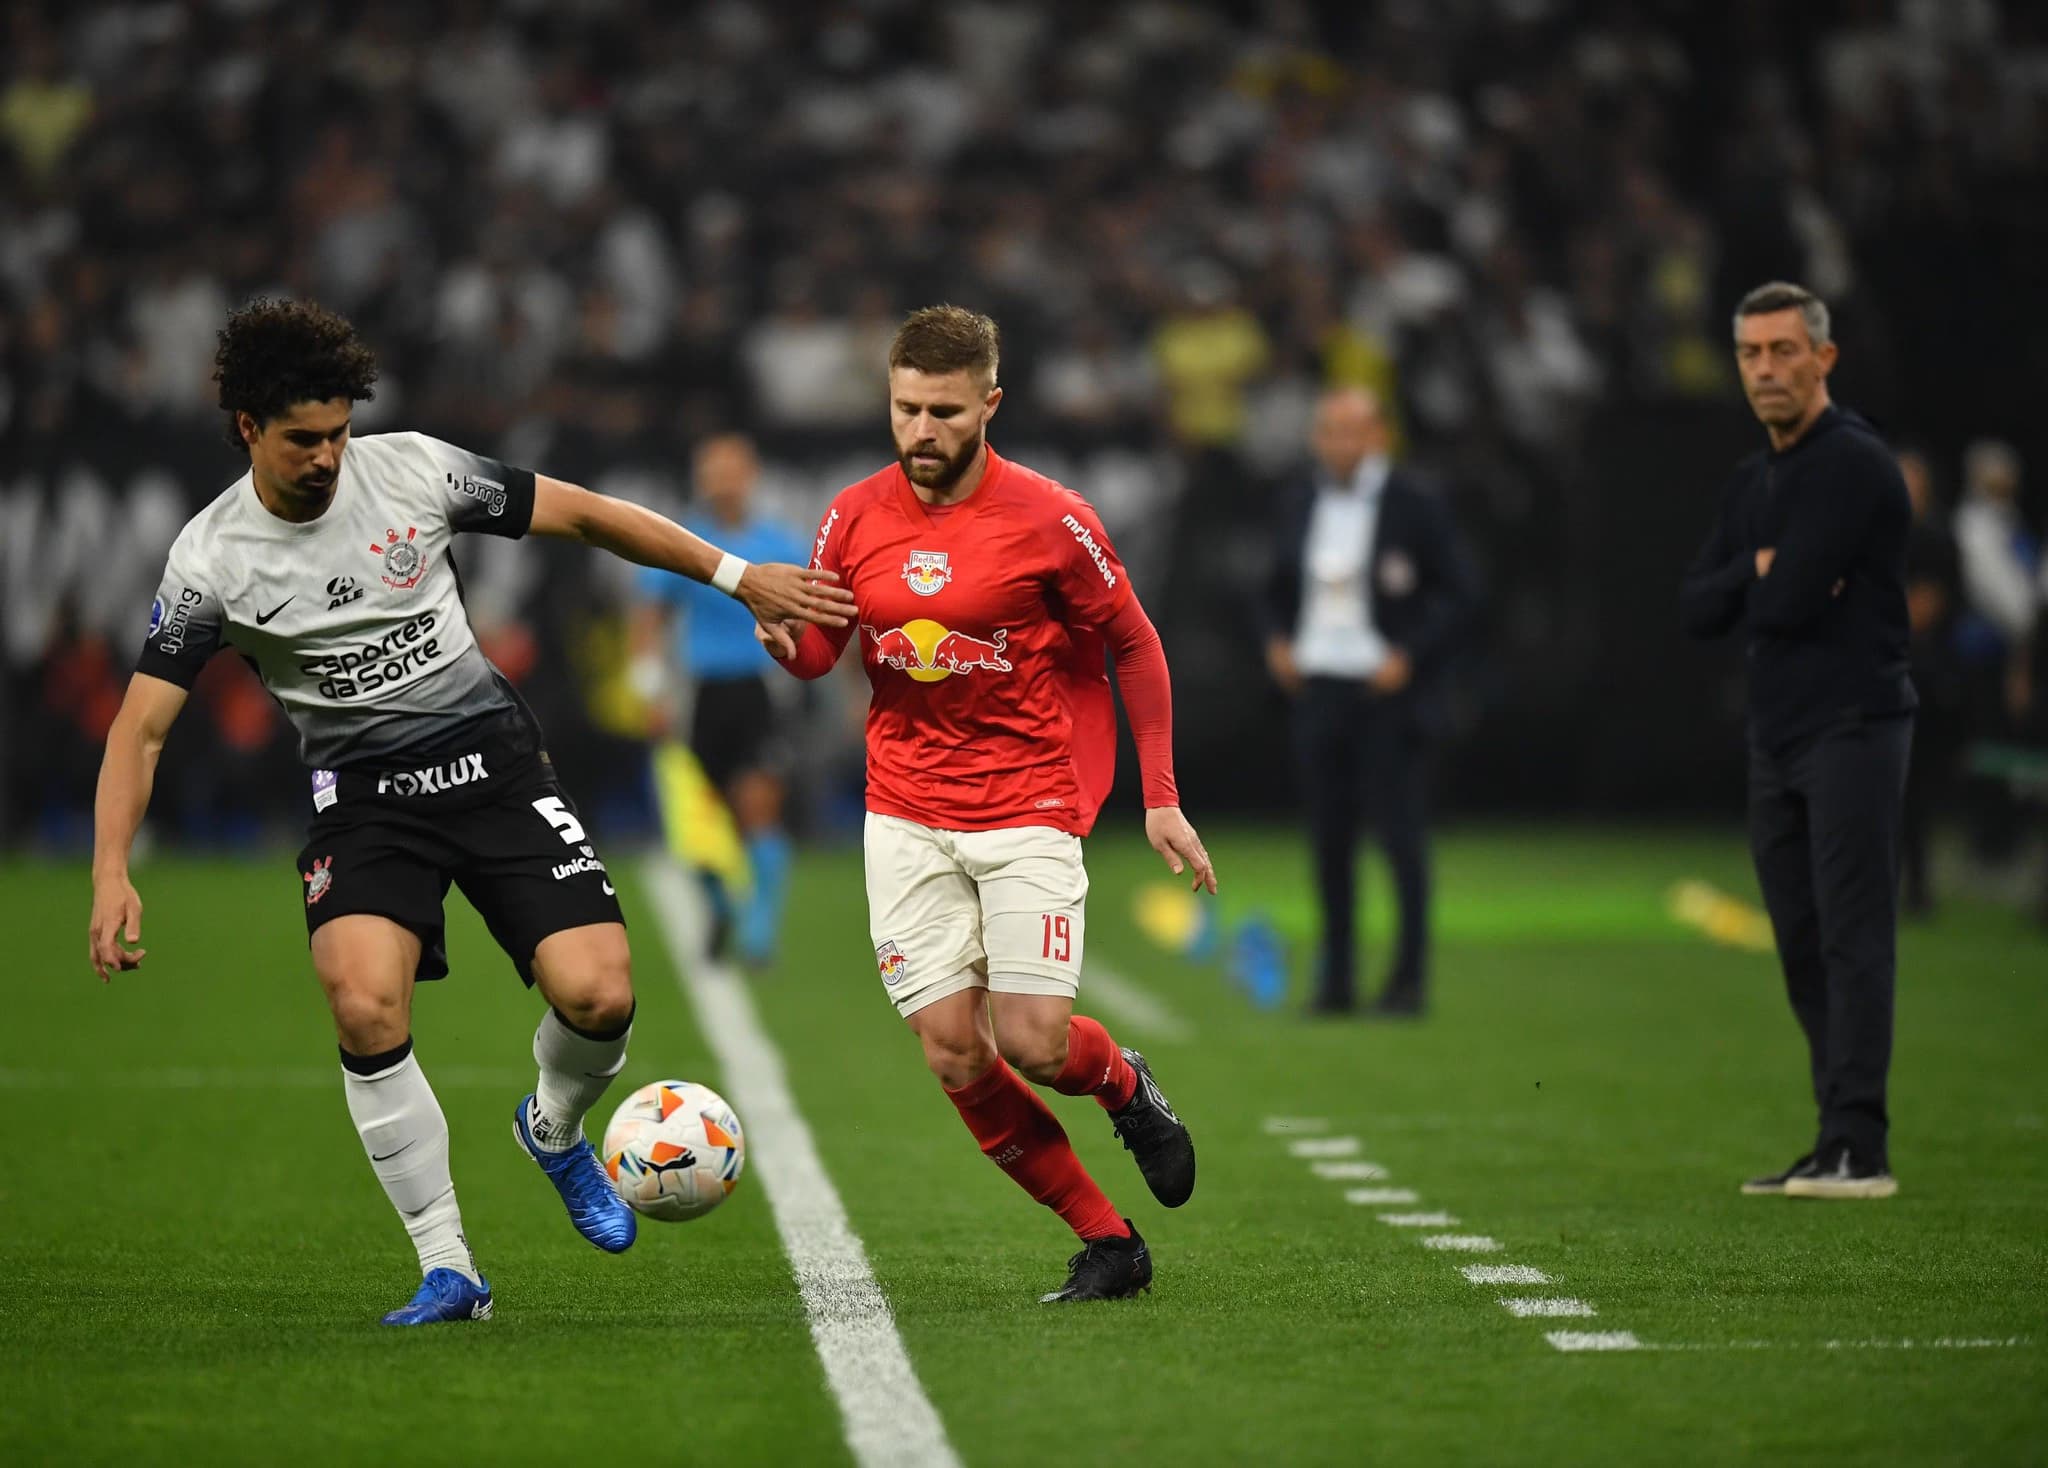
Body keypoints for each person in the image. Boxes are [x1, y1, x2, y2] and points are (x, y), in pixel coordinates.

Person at [87, 299, 853, 1324]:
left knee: (601, 997)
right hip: (363, 804)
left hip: (493, 768)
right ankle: (448, 1264)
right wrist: (109, 868)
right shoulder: (209, 559)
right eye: (301, 439)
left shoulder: (413, 469)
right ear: (247, 431)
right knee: (363, 1001)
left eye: (336, 433)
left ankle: (550, 1125)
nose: (326, 457)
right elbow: (139, 729)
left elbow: (585, 512)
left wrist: (734, 575)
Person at [755, 305, 1212, 1303]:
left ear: (990, 404)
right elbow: (824, 653)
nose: (920, 431)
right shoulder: (851, 515)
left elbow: (1131, 641)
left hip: (1027, 803)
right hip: (905, 810)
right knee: (955, 1051)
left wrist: (1161, 795)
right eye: (904, 408)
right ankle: (1107, 1241)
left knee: (1037, 1044)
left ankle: (1123, 1084)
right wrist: (783, 638)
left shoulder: (1053, 518)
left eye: (944, 412)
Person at [1680, 281, 1915, 1200]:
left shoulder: (1851, 464)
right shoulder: (1757, 480)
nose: (1766, 369)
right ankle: (1835, 1138)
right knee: (1804, 938)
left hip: (1854, 724)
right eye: (1750, 353)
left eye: (1784, 351)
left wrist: (1762, 585)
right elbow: (1699, 605)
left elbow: (1770, 605)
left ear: (1825, 358)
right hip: (1777, 737)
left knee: (1854, 937)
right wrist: (1760, 569)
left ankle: (1861, 1142)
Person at [1261, 387, 1478, 1017]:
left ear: (1379, 435)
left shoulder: (1416, 504)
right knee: (1328, 840)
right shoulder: (1299, 500)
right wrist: (1276, 639)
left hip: (1388, 692)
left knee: (1401, 837)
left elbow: (1461, 592)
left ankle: (1408, 979)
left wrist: (1409, 653)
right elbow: (1273, 586)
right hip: (1318, 686)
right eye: (1329, 430)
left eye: (1353, 430)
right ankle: (1336, 983)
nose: (1340, 443)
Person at [632, 433, 809, 966]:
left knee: (758, 805)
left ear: (750, 475)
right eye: (712, 470)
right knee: (699, 823)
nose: (722, 480)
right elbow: (649, 618)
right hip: (699, 694)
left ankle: (759, 929)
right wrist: (649, 685)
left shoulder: (779, 545)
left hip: (760, 689)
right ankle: (720, 908)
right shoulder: (686, 543)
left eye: (731, 469)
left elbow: (812, 614)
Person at [1896, 448, 1963, 916]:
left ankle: (1918, 890)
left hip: (1922, 678)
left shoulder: (1935, 538)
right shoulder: (1875, 535)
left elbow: (1927, 606)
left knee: (1913, 790)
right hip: (1881, 674)